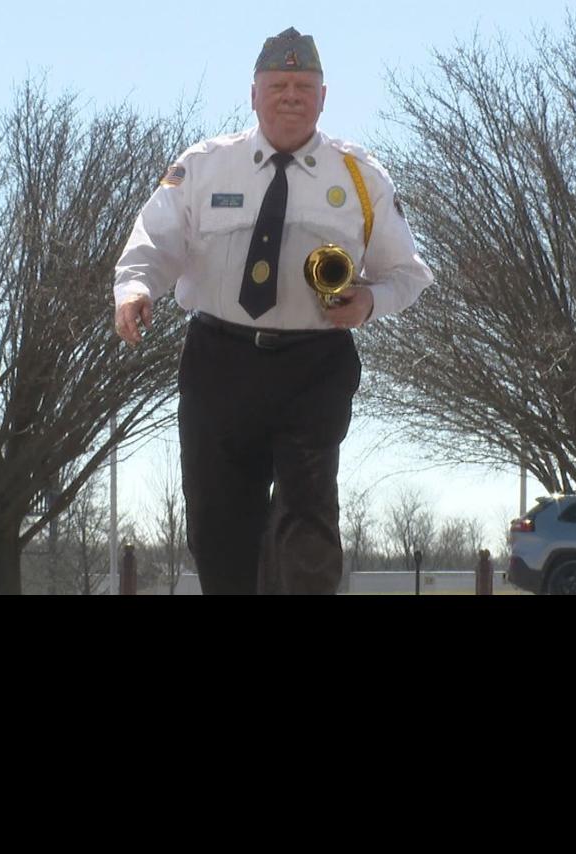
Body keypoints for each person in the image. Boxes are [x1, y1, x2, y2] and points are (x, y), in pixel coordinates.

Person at [112, 27, 433, 594]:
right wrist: (136, 289)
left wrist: (368, 303)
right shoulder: (204, 167)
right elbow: (156, 242)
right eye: (278, 84)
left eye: (303, 85)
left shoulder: (361, 177)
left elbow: (407, 273)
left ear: (324, 97)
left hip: (314, 365)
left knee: (307, 518)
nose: (291, 95)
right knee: (217, 524)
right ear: (254, 93)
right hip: (219, 362)